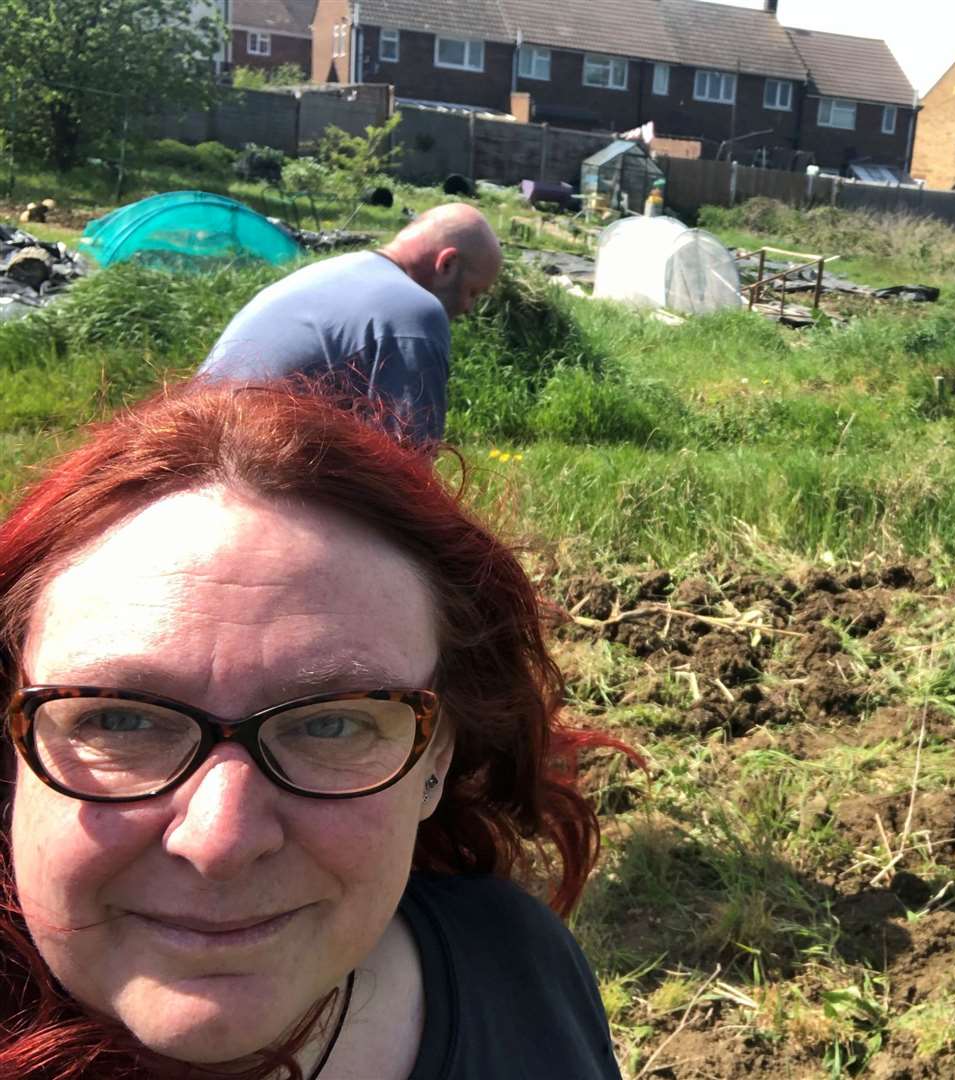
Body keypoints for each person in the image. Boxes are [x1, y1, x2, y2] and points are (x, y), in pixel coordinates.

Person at [0, 385, 624, 1079]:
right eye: (119, 719)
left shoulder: (516, 965)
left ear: (436, 757)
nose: (221, 842)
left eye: (331, 724)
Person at [197, 203, 504, 447]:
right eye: (472, 292)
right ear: (447, 264)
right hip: (238, 477)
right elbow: (408, 475)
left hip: (188, 457)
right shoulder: (413, 310)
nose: (467, 308)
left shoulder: (334, 272)